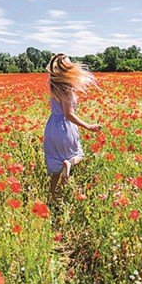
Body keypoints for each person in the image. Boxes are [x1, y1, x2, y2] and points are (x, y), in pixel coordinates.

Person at [44, 53, 102, 198]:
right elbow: (68, 114)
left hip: (51, 128)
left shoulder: (53, 85)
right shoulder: (67, 89)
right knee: (78, 154)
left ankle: (52, 194)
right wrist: (88, 126)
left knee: (55, 161)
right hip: (65, 128)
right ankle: (69, 163)